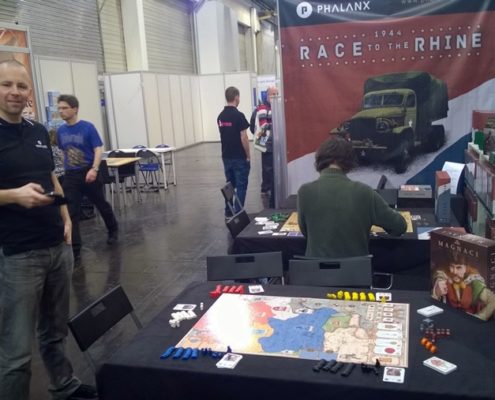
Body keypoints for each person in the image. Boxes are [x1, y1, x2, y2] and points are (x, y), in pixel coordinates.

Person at [0, 59, 97, 400]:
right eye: (6, 84)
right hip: (17, 254)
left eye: (21, 85)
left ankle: (63, 386)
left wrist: (66, 217)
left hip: (57, 245)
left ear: (30, 91)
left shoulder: (39, 131)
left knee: (55, 332)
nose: (14, 92)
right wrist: (13, 196)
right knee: (15, 351)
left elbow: (50, 177)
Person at [297, 136, 407, 258]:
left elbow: (306, 232)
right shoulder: (364, 192)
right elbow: (399, 226)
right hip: (357, 269)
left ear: (319, 159)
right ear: (349, 161)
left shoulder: (304, 192)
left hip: (315, 269)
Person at [57, 94, 118, 260]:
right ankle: (75, 249)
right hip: (71, 175)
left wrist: (94, 169)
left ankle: (113, 230)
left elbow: (98, 149)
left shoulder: (87, 128)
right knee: (71, 212)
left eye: (64, 108)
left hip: (89, 171)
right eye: (59, 108)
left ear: (75, 109)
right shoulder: (61, 131)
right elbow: (62, 151)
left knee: (101, 204)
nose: (61, 111)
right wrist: (67, 166)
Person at [217, 86, 251, 218]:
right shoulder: (239, 116)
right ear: (236, 97)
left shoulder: (220, 116)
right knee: (241, 185)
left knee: (229, 184)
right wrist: (248, 155)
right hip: (239, 157)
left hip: (226, 156)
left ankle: (228, 211)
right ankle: (238, 213)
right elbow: (244, 137)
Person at [250, 86, 278, 206]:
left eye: (277, 94)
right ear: (267, 95)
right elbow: (259, 125)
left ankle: (270, 187)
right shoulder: (262, 108)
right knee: (267, 167)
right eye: (273, 94)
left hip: (275, 142)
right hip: (266, 142)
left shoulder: (276, 107)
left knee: (273, 167)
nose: (275, 96)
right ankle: (266, 189)